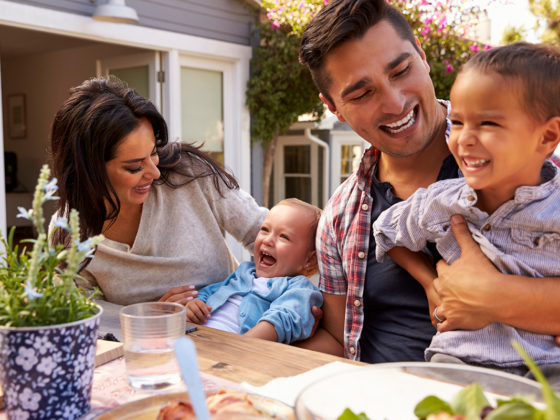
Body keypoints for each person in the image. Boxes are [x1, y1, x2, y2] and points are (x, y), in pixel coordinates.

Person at [298, 0, 560, 363]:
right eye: (362, 93)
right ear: (334, 108)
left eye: (401, 70)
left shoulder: (532, 167)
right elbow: (338, 337)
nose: (395, 102)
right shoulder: (339, 216)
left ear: (422, 56)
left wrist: (493, 296)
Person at [372, 42, 560, 387]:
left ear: (547, 136)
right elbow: (385, 231)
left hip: (547, 369)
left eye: (488, 123)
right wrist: (431, 284)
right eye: (457, 122)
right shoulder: (443, 202)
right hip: (457, 362)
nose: (464, 139)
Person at [49, 77, 267, 309]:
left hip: (236, 328)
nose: (154, 172)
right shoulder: (68, 234)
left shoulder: (190, 174)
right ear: (88, 171)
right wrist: (152, 314)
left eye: (153, 153)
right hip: (148, 342)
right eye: (134, 166)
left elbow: (265, 234)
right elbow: (87, 314)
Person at [186, 198, 323, 344]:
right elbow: (212, 291)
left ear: (309, 261)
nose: (268, 240)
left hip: (232, 352)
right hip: (192, 339)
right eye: (265, 230)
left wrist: (241, 346)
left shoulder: (299, 288)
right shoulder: (243, 273)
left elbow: (284, 318)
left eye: (284, 236)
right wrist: (195, 304)